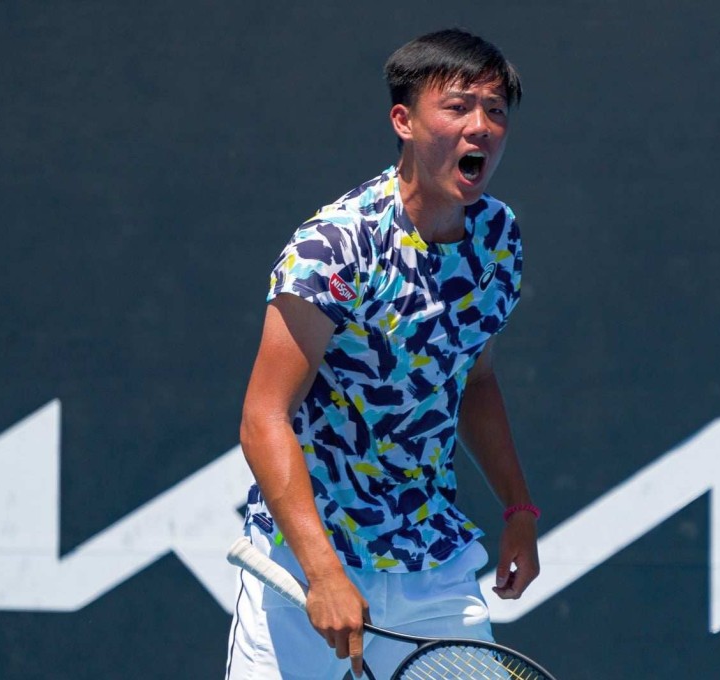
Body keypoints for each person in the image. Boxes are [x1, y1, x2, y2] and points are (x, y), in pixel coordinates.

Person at [225, 28, 540, 680]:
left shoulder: (498, 240)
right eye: (457, 107)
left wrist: (517, 507)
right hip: (304, 561)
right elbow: (263, 417)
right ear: (403, 120)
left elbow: (473, 379)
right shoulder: (334, 248)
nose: (480, 126)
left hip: (433, 563)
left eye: (496, 111)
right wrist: (322, 572)